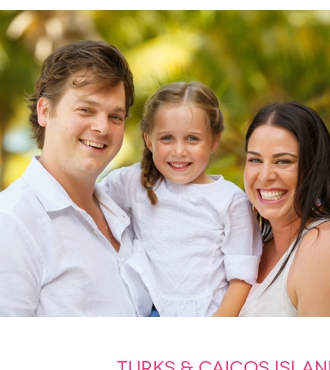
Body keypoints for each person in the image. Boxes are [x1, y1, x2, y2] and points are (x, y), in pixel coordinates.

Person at [0, 40, 152, 316]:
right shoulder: (7, 226)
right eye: (86, 109)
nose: (103, 127)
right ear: (45, 111)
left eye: (115, 116)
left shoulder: (125, 214)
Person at [100, 82, 261, 317]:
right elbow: (88, 198)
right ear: (148, 140)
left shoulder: (230, 201)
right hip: (148, 312)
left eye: (192, 139)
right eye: (167, 138)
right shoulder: (133, 183)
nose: (179, 150)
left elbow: (241, 277)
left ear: (214, 140)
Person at [239, 101, 330, 316]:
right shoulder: (255, 243)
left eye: (283, 161)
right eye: (255, 160)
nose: (264, 175)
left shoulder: (327, 247)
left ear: (315, 168)